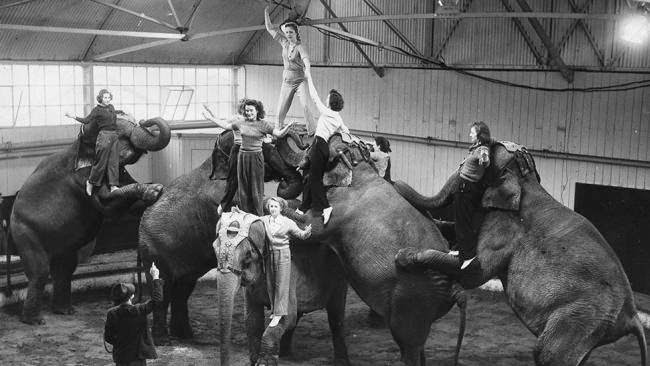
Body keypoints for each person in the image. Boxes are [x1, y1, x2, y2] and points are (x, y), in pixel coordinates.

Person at [204, 99, 294, 216]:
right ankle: (245, 214)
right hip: (242, 156)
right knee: (243, 188)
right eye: (247, 111)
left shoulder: (263, 124)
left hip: (256, 157)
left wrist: (288, 127)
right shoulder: (240, 122)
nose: (248, 113)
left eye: (251, 110)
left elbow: (279, 134)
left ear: (257, 111)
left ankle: (258, 215)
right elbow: (225, 125)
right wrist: (210, 117)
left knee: (256, 188)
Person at [296, 72, 349, 225]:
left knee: (314, 180)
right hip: (321, 146)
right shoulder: (338, 118)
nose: (325, 99)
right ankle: (304, 206)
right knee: (310, 178)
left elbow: (314, 97)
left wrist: (309, 79)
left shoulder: (327, 112)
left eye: (328, 98)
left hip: (319, 145)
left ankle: (326, 207)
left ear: (331, 102)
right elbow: (346, 130)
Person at [265, 6, 317, 135]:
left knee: (305, 106)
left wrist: (308, 71)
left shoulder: (300, 47)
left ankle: (312, 132)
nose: (288, 34)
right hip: (287, 81)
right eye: (287, 32)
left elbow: (306, 60)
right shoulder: (284, 43)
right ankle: (278, 131)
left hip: (300, 81)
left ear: (296, 33)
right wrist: (266, 13)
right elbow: (270, 28)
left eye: (290, 32)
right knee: (280, 109)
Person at [261, 197, 311, 327]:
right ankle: (274, 309)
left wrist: (307, 232)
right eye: (271, 206)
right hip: (269, 254)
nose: (273, 209)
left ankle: (279, 313)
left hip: (283, 254)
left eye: (275, 207)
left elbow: (301, 235)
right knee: (270, 282)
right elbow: (251, 220)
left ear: (281, 208)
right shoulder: (264, 220)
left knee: (281, 284)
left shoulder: (287, 222)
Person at [104, 262, 163, 366]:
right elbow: (157, 299)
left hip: (121, 357)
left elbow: (108, 337)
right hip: (137, 357)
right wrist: (155, 276)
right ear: (131, 296)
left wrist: (121, 344)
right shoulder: (139, 310)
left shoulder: (111, 313)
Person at [452, 121, 493, 270]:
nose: (470, 134)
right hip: (463, 187)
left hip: (467, 188)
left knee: (464, 222)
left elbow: (485, 160)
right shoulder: (475, 148)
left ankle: (469, 256)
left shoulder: (482, 148)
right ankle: (462, 251)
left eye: (472, 132)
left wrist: (484, 159)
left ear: (479, 135)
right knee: (460, 220)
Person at [65, 89, 120, 196]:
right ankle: (90, 182)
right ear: (100, 98)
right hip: (104, 136)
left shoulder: (111, 107)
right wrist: (73, 116)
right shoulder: (97, 110)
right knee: (101, 162)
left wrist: (123, 112)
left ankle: (113, 185)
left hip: (114, 136)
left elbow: (113, 115)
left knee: (113, 162)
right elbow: (86, 120)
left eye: (109, 97)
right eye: (105, 97)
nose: (107, 100)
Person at [203, 101, 246, 215]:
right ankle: (225, 204)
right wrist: (209, 112)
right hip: (239, 149)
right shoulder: (237, 119)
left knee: (241, 179)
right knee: (233, 178)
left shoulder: (252, 120)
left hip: (250, 151)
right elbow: (222, 122)